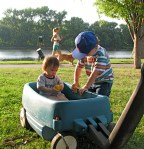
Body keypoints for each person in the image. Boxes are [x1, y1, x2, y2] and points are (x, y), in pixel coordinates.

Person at [72, 31, 114, 97]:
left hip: (104, 81)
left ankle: (103, 106)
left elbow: (96, 72)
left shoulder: (101, 54)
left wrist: (86, 86)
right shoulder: (84, 54)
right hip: (93, 81)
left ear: (95, 46)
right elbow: (78, 67)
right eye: (82, 53)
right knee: (87, 97)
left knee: (99, 99)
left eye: (86, 52)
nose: (84, 55)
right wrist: (76, 82)